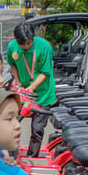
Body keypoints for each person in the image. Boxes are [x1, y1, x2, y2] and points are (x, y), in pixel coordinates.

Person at [6, 22, 57, 158]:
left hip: (42, 93)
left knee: (37, 128)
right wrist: (17, 81)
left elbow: (46, 72)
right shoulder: (12, 47)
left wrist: (33, 87)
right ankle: (10, 154)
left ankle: (32, 155)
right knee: (12, 122)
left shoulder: (44, 46)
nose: (26, 46)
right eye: (22, 44)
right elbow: (12, 64)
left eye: (29, 43)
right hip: (22, 92)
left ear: (33, 38)